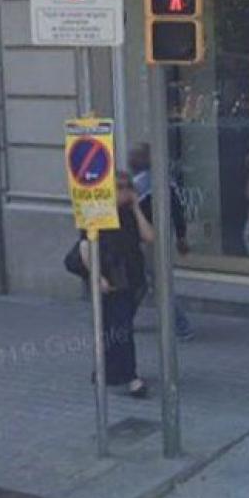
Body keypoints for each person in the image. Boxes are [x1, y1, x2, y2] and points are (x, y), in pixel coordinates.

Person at [77, 172, 153, 398]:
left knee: (117, 326)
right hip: (110, 278)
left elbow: (149, 237)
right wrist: (97, 277)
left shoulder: (132, 211)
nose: (124, 191)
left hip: (133, 277)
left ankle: (107, 369)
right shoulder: (97, 212)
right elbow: (84, 246)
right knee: (120, 327)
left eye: (127, 186)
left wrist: (137, 208)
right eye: (119, 187)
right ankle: (130, 377)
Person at [129, 142, 194, 340]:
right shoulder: (165, 181)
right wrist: (181, 237)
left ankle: (181, 326)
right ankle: (124, 319)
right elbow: (177, 211)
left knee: (157, 283)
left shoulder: (139, 186)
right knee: (142, 281)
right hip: (161, 237)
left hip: (147, 240)